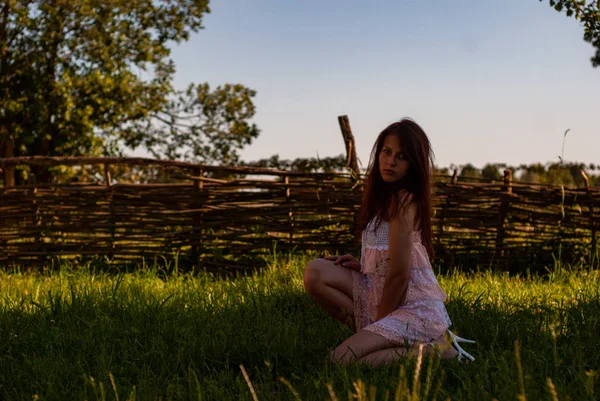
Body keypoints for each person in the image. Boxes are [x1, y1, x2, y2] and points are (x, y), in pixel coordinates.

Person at [303, 118, 474, 366]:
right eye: (386, 152)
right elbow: (386, 256)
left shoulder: (404, 201)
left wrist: (381, 324)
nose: (390, 161)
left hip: (413, 309)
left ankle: (439, 352)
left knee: (338, 361)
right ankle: (377, 341)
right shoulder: (385, 197)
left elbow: (400, 274)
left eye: (401, 156)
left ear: (413, 164)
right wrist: (365, 266)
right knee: (315, 272)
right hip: (380, 291)